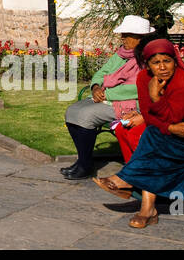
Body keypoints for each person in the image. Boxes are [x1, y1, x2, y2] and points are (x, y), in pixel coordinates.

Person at [93, 39, 184, 229]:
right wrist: (171, 128)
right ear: (147, 65)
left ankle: (127, 181)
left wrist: (156, 97)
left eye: (167, 61)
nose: (163, 67)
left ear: (175, 61)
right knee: (152, 137)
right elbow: (150, 115)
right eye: (156, 63)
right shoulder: (143, 78)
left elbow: (173, 118)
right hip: (172, 137)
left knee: (153, 138)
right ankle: (147, 209)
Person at [59, 16, 152, 180]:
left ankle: (85, 165)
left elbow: (137, 89)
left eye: (127, 34)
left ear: (141, 37)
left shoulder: (146, 58)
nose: (122, 38)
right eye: (122, 34)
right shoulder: (121, 54)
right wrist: (95, 87)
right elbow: (101, 73)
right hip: (107, 97)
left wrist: (106, 94)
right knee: (72, 111)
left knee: (85, 115)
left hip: (131, 105)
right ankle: (84, 160)